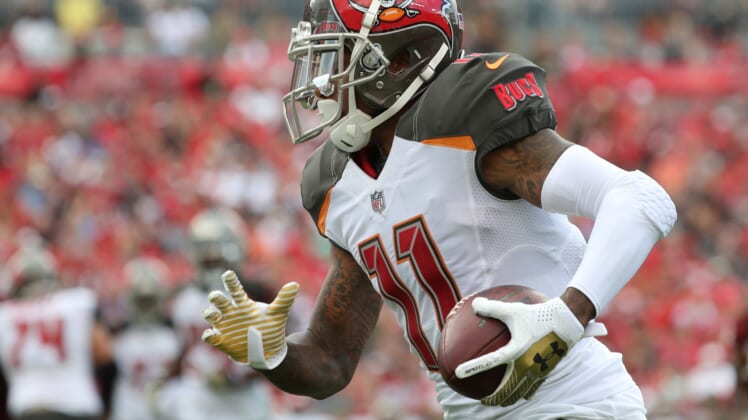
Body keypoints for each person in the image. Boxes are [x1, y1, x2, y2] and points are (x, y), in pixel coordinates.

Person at [201, 1, 677, 418]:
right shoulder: (334, 183)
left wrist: (566, 316)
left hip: (574, 403)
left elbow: (639, 197)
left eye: (337, 56)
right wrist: (273, 353)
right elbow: (330, 360)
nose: (322, 82)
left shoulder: (462, 119)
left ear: (397, 60)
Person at [163, 207, 279, 420]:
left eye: (216, 258)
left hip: (244, 397)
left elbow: (275, 352)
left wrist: (238, 375)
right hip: (199, 395)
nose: (211, 260)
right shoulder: (183, 299)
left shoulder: (255, 294)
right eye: (207, 257)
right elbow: (184, 350)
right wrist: (165, 381)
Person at [0, 234, 115, 420]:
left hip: (28, 406)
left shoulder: (6, 315)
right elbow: (104, 353)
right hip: (75, 403)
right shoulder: (76, 304)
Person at [110, 257, 180, 420]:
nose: (145, 307)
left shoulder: (173, 333)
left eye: (149, 301)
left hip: (167, 408)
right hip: (129, 409)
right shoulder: (119, 334)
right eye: (141, 301)